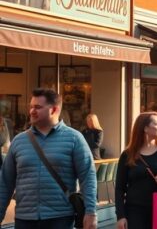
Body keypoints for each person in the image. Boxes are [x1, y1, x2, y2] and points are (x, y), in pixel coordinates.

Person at [0, 88, 97, 229]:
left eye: (38, 107)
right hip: (24, 219)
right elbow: (5, 182)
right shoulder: (19, 141)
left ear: (54, 110)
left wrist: (91, 212)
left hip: (60, 219)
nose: (32, 111)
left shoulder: (74, 138)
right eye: (31, 106)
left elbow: (88, 176)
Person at [115, 111, 157, 229]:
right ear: (145, 128)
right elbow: (119, 188)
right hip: (134, 212)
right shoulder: (128, 154)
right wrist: (120, 216)